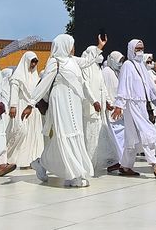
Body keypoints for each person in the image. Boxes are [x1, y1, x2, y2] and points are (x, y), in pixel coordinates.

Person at [23, 34, 105, 188]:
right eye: (71, 45)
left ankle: (43, 163)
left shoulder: (74, 61)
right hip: (59, 101)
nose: (73, 48)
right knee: (64, 135)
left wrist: (99, 47)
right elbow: (44, 83)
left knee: (74, 135)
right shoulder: (55, 62)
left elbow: (88, 61)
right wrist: (31, 103)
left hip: (74, 102)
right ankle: (72, 175)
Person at [111, 39, 156, 178]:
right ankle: (155, 166)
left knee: (132, 137)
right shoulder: (127, 65)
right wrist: (119, 105)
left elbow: (149, 87)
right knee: (148, 132)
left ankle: (125, 166)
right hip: (132, 105)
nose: (140, 51)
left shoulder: (142, 66)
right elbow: (123, 86)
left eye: (142, 48)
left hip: (142, 105)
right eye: (137, 48)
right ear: (131, 49)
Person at [80, 45, 120, 173]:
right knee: (89, 138)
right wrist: (94, 101)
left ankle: (96, 164)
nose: (100, 56)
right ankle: (88, 166)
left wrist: (108, 102)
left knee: (98, 137)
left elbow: (103, 87)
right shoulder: (85, 68)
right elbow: (85, 85)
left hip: (100, 109)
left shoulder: (97, 68)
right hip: (90, 109)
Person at [6, 52, 43, 168]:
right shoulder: (18, 76)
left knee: (33, 134)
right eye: (32, 61)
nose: (34, 64)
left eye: (36, 61)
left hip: (33, 108)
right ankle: (11, 158)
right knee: (22, 132)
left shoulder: (36, 76)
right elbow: (14, 92)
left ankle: (29, 160)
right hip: (21, 107)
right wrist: (13, 106)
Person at [101, 51, 125, 162]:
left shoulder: (117, 72)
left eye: (121, 61)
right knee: (115, 136)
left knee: (121, 136)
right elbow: (104, 89)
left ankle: (120, 160)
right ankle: (118, 160)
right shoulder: (106, 71)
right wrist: (109, 103)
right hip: (111, 109)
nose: (120, 63)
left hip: (119, 109)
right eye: (118, 60)